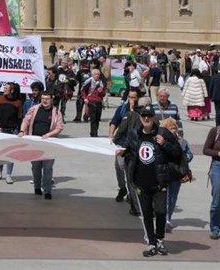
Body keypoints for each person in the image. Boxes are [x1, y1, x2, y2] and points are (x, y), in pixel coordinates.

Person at [120, 105, 183, 257]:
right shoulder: (135, 134)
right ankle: (151, 243)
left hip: (159, 182)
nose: (146, 118)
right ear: (140, 118)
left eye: (149, 115)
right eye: (143, 116)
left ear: (154, 117)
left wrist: (164, 144)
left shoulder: (164, 133)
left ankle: (160, 239)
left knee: (161, 212)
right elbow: (129, 151)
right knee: (147, 214)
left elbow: (178, 153)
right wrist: (123, 152)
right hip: (141, 182)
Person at [19, 89, 63, 199]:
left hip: (49, 144)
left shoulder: (56, 111)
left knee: (48, 168)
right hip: (35, 143)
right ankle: (37, 187)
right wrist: (22, 131)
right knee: (36, 167)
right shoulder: (34, 109)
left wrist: (49, 134)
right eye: (43, 99)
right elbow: (26, 120)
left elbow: (59, 127)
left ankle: (47, 191)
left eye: (47, 99)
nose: (45, 101)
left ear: (51, 100)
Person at [159, 117, 192, 232]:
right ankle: (161, 218)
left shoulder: (182, 141)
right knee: (162, 197)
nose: (173, 130)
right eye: (170, 128)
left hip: (176, 174)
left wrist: (184, 159)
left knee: (173, 197)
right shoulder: (160, 140)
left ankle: (168, 218)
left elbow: (189, 154)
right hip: (164, 173)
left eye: (174, 128)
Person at [0, 82, 23, 183]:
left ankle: (9, 174)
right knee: (0, 152)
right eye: (4, 88)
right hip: (0, 130)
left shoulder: (18, 102)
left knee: (10, 154)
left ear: (12, 90)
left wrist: (19, 130)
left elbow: (19, 118)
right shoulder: (0, 99)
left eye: (6, 88)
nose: (4, 89)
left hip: (12, 131)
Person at [81, 68, 107, 137]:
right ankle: (93, 134)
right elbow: (83, 91)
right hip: (91, 102)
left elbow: (104, 94)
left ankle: (95, 132)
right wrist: (85, 98)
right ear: (92, 75)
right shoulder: (88, 82)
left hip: (99, 102)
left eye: (98, 74)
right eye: (96, 74)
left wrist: (101, 91)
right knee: (93, 119)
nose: (97, 75)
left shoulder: (101, 83)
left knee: (98, 119)